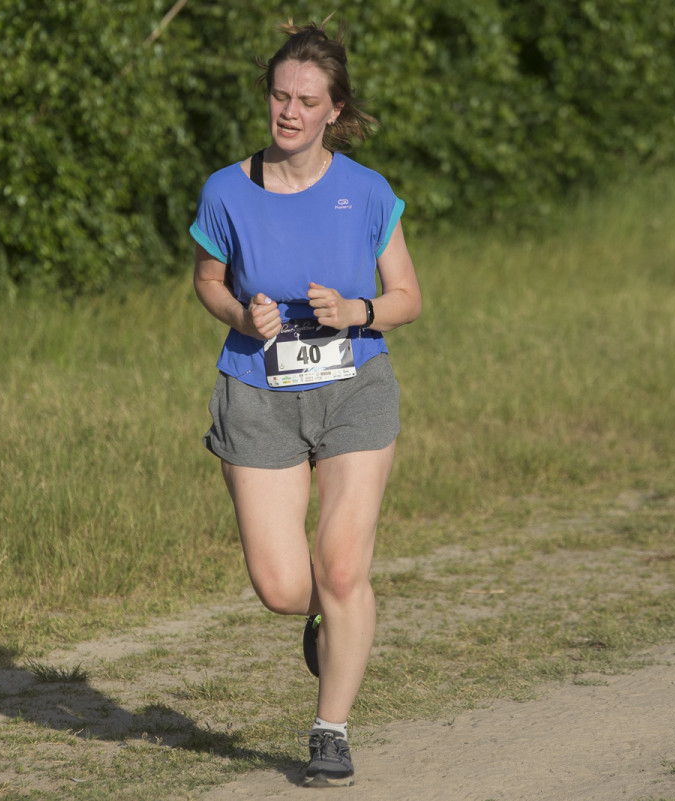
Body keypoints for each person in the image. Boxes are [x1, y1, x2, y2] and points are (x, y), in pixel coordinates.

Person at [189, 17, 422, 788]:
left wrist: (356, 311)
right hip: (259, 394)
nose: (289, 111)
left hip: (354, 384)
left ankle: (330, 729)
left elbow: (408, 298)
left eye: (306, 100)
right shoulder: (226, 190)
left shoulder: (366, 191)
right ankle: (327, 614)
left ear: (333, 110)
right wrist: (238, 313)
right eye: (279, 96)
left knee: (345, 565)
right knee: (287, 587)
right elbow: (207, 280)